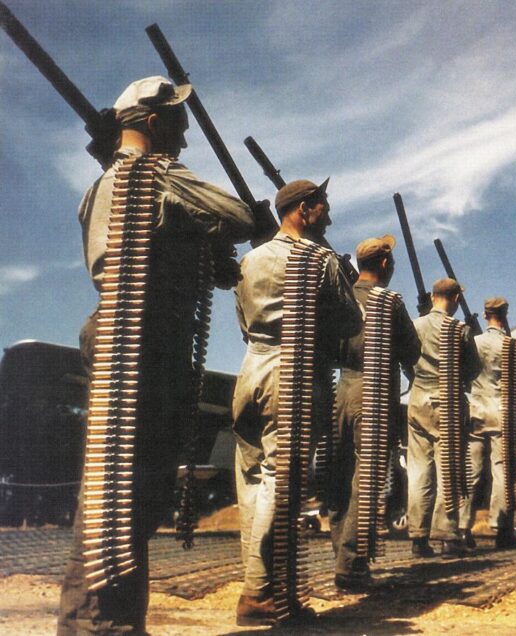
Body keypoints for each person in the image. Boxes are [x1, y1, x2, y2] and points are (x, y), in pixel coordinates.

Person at [58, 76, 258, 635]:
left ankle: (112, 624)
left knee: (124, 498)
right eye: (178, 126)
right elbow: (239, 216)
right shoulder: (154, 175)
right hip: (141, 333)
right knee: (117, 499)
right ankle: (101, 627)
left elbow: (211, 262)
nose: (185, 142)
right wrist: (238, 222)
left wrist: (206, 244)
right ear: (152, 123)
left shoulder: (108, 185)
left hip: (134, 330)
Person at [232, 178, 362, 624]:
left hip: (251, 370)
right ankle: (259, 593)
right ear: (303, 210)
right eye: (323, 207)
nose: (328, 215)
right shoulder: (320, 259)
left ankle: (267, 589)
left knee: (252, 480)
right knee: (279, 482)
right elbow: (351, 321)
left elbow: (243, 322)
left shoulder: (250, 260)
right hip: (295, 373)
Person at [328, 235, 420, 591]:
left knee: (338, 476)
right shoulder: (390, 301)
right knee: (367, 480)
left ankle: (343, 555)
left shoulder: (342, 295)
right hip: (376, 390)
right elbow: (412, 351)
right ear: (384, 265)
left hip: (343, 387)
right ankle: (352, 565)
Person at [406, 278, 482, 558]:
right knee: (449, 471)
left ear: (433, 296)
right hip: (447, 402)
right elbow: (473, 370)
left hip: (418, 400)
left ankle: (418, 537)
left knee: (418, 472)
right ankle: (449, 535)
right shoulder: (459, 329)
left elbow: (406, 359)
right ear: (456, 300)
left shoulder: (416, 325)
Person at [462, 297, 516, 547]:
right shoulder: (514, 346)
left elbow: (464, 375)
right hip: (503, 412)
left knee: (472, 471)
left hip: (477, 411)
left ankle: (462, 529)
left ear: (484, 314)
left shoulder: (474, 343)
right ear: (506, 314)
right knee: (502, 472)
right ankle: (502, 529)